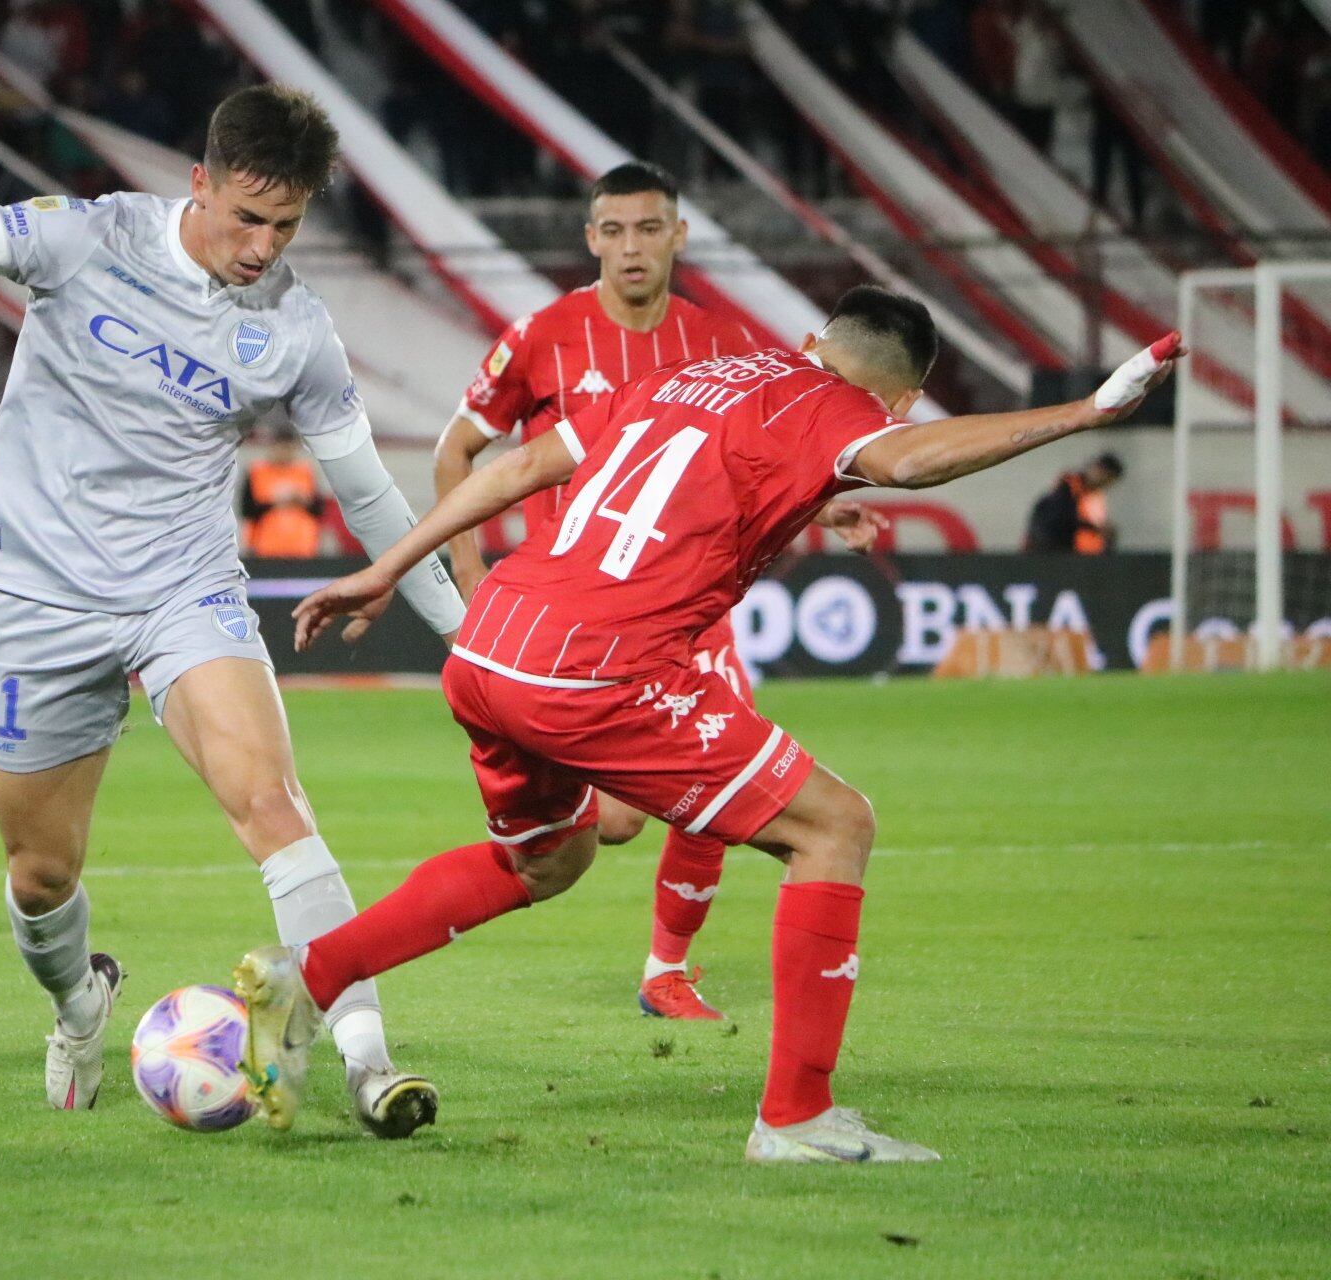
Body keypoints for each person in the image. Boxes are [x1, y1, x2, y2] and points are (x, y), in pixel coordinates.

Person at [232, 291, 1182, 1160]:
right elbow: (912, 462)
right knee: (834, 824)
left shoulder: (688, 377)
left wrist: (389, 566)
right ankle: (798, 1116)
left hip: (492, 647)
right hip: (594, 667)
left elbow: (521, 465)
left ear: (815, 341)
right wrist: (1085, 414)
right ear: (892, 399)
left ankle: (309, 976)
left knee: (546, 860)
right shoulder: (842, 413)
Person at [0, 85, 466, 1137]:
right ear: (198, 181)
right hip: (42, 595)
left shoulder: (296, 330)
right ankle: (77, 1002)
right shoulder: (85, 235)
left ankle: (371, 1061)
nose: (261, 245)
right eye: (246, 216)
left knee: (274, 805)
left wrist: (463, 631)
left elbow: (370, 491)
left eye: (285, 226)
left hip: (181, 586)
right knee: (41, 870)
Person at [434, 161, 888, 1023]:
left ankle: (666, 968)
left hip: (686, 604)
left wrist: (826, 512)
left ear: (679, 236)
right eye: (613, 230)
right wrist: (470, 567)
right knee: (611, 825)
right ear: (590, 239)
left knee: (723, 759)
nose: (631, 246)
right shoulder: (541, 336)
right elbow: (458, 450)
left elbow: (759, 459)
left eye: (649, 228)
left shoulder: (719, 346)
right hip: (565, 617)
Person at [242, 431, 324, 558]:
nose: (283, 452)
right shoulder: (257, 472)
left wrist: (301, 500)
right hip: (264, 549)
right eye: (280, 447)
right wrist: (274, 502)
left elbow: (319, 509)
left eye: (288, 447)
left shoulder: (305, 472)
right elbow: (246, 510)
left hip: (303, 548)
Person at [1026, 452, 1123, 554]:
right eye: (1104, 476)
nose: (1105, 484)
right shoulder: (1066, 491)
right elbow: (1059, 523)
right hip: (1058, 556)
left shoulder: (1096, 497)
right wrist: (1092, 527)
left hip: (1086, 559)